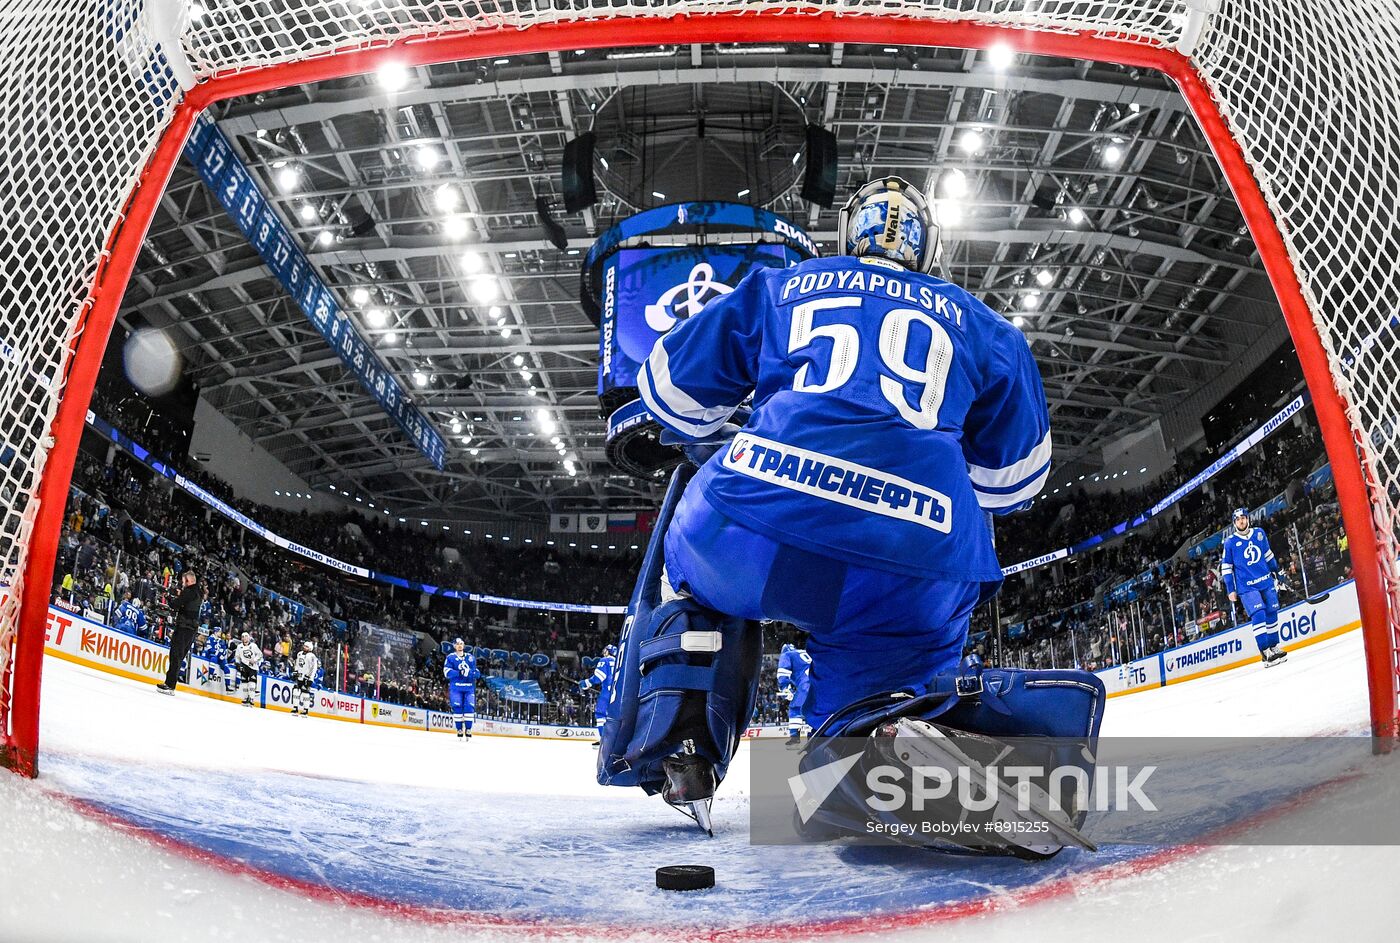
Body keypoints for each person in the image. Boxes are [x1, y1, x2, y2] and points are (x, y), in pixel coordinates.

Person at [636, 176, 1050, 731]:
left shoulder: (778, 285)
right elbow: (1012, 484)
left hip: (749, 532)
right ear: (929, 249)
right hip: (909, 565)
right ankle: (868, 739)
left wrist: (737, 419)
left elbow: (669, 390)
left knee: (685, 566)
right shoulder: (990, 330)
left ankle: (680, 732)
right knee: (879, 702)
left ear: (848, 235)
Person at [1221, 507, 1288, 666]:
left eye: (1243, 518)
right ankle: (1265, 652)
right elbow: (1226, 568)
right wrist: (1230, 589)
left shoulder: (1259, 533)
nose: (1241, 521)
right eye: (1238, 519)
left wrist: (1277, 572)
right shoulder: (1230, 542)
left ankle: (1274, 647)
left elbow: (1268, 555)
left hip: (1265, 580)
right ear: (1234, 523)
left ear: (1247, 519)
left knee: (1272, 612)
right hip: (1247, 586)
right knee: (1259, 614)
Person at [156, 569, 203, 695]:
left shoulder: (188, 591)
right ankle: (171, 684)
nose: (182, 584)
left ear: (188, 581)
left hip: (184, 627)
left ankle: (169, 685)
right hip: (192, 629)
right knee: (180, 656)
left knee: (175, 655)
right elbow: (187, 601)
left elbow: (176, 604)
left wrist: (168, 597)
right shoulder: (198, 591)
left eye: (183, 581)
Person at [578, 643, 617, 746]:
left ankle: (604, 741)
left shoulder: (605, 660)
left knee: (601, 715)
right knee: (614, 718)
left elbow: (598, 678)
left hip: (607, 694)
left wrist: (586, 683)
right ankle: (615, 741)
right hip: (618, 694)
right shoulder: (620, 662)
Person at [775, 640, 812, 747]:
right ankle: (817, 735)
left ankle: (795, 738)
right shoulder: (803, 652)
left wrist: (785, 688)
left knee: (795, 709)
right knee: (815, 710)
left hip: (806, 684)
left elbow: (783, 673)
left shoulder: (787, 654)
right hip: (820, 681)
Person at [443, 638, 479, 740]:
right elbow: (446, 672)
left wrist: (470, 673)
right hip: (456, 688)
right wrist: (460, 672)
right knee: (457, 707)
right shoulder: (450, 658)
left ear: (463, 645)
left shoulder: (471, 658)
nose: (459, 645)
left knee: (469, 708)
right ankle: (459, 729)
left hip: (469, 688)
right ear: (454, 646)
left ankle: (468, 729)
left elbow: (477, 673)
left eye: (461, 644)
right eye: (457, 644)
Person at [233, 631, 263, 706]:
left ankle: (251, 698)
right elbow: (237, 656)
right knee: (244, 682)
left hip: (253, 667)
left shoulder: (253, 646)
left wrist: (255, 660)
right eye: (243, 637)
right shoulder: (239, 646)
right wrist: (237, 663)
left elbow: (260, 654)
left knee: (252, 682)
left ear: (249, 638)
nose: (244, 638)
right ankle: (246, 698)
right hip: (244, 666)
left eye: (246, 636)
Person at [291, 640, 320, 717]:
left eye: (306, 646)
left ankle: (305, 709)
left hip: (307, 677)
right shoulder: (299, 654)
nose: (304, 647)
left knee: (305, 693)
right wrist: (295, 672)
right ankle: (295, 708)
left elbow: (313, 668)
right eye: (304, 645)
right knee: (295, 691)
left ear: (310, 648)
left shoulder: (312, 656)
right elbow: (297, 664)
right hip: (299, 676)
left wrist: (309, 677)